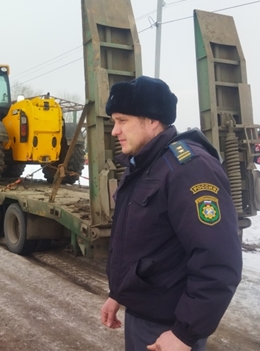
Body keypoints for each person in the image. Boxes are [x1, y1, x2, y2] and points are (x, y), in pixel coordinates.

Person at [100, 76, 242, 351]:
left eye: (122, 120)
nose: (114, 131)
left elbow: (218, 261)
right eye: (114, 122)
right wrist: (118, 294)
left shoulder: (187, 168)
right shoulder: (145, 165)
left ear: (152, 121)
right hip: (144, 316)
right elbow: (140, 243)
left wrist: (184, 334)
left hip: (168, 328)